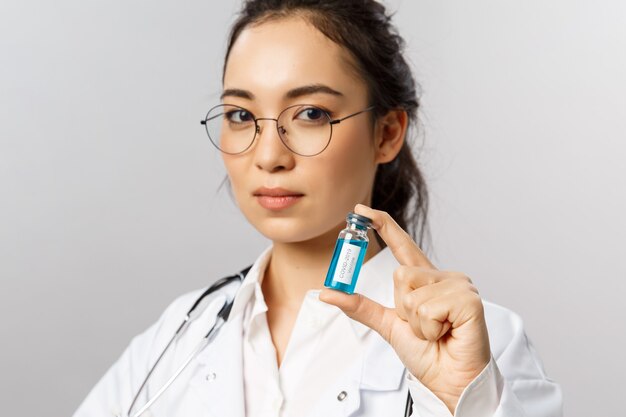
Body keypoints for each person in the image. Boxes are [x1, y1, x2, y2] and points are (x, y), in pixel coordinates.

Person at [73, 1, 563, 416]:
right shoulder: (185, 331)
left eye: (311, 114)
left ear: (387, 133)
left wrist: (462, 399)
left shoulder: (480, 347)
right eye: (242, 115)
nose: (268, 156)